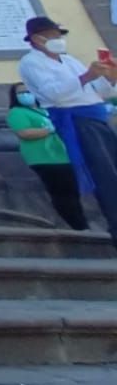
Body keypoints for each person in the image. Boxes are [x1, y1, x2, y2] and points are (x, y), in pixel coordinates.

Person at [17, 15, 117, 250]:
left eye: (58, 36)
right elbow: (54, 94)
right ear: (36, 39)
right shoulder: (31, 63)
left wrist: (108, 78)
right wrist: (87, 76)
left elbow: (96, 90)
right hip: (76, 119)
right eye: (52, 36)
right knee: (104, 175)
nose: (57, 40)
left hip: (96, 116)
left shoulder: (69, 60)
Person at [7, 84, 89, 231]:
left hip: (63, 156)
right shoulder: (17, 112)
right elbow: (24, 133)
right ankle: (77, 226)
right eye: (22, 93)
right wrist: (48, 130)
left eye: (29, 91)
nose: (26, 94)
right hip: (44, 158)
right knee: (62, 193)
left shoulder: (45, 110)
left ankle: (80, 223)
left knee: (72, 191)